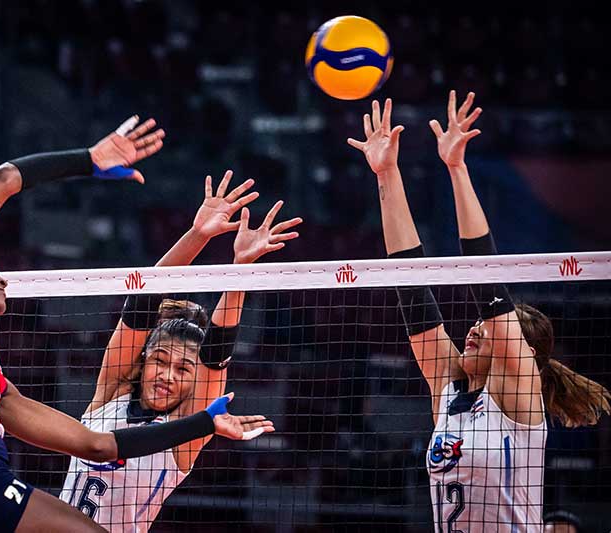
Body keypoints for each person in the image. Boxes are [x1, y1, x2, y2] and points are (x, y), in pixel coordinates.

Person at [0, 117, 275, 533]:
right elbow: (6, 179)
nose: (2, 276)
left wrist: (238, 273)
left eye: (182, 368)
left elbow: (100, 445)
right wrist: (89, 161)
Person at [347, 92, 611, 532]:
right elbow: (411, 291)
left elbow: (485, 278)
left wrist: (457, 169)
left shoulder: (517, 393)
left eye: (486, 328)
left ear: (525, 354)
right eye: (475, 326)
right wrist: (388, 174)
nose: (473, 330)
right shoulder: (448, 394)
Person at [60, 170, 301, 531]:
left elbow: (216, 353)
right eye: (159, 361)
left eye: (183, 369)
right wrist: (198, 234)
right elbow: (142, 302)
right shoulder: (109, 395)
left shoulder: (184, 436)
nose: (167, 376)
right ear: (142, 365)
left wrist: (240, 271)